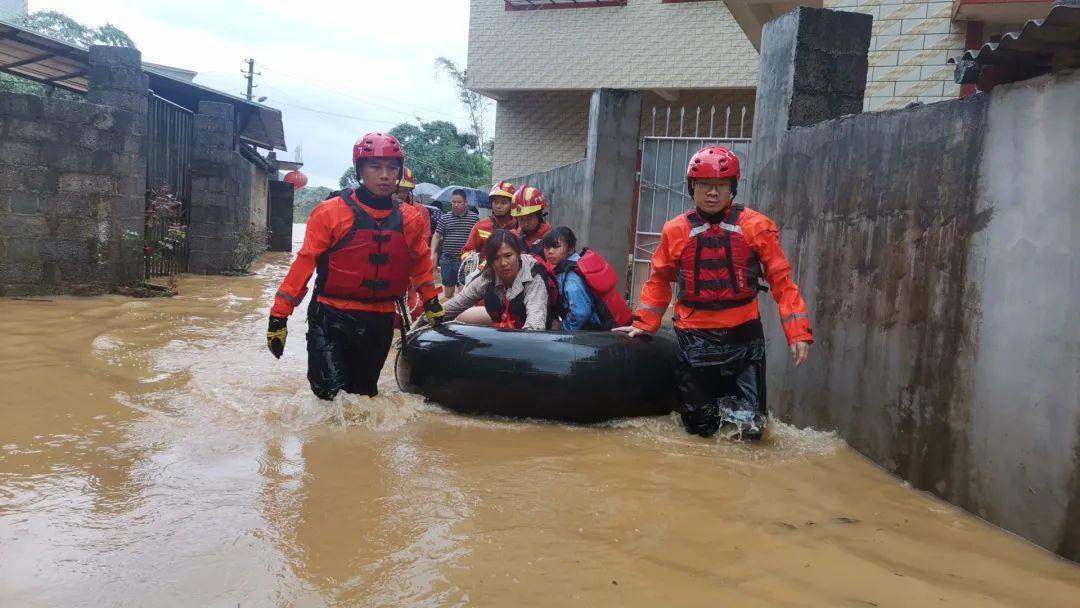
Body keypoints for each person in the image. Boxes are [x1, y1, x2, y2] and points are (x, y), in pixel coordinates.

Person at [614, 146, 813, 440]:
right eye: (705, 185)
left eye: (720, 186)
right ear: (692, 188)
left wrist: (797, 332)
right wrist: (643, 325)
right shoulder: (675, 230)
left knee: (750, 427)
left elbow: (782, 280)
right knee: (697, 427)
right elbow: (658, 280)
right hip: (695, 338)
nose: (712, 193)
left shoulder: (757, 227)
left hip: (744, 339)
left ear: (732, 189)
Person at [265, 132, 445, 400]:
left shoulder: (411, 219)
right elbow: (304, 264)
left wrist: (432, 303)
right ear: (360, 170)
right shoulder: (330, 212)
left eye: (391, 167)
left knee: (364, 399)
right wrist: (279, 316)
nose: (385, 175)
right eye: (375, 167)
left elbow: (420, 263)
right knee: (330, 397)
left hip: (379, 319)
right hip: (330, 316)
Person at [422, 229, 551, 330]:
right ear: (490, 261)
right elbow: (457, 304)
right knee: (459, 316)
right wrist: (423, 321)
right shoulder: (488, 276)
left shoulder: (534, 277)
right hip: (505, 325)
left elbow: (535, 324)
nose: (503, 263)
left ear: (518, 254)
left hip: (537, 332)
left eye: (508, 256)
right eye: (496, 258)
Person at [541, 226, 633, 331]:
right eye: (547, 247)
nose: (550, 251)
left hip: (599, 332)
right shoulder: (574, 265)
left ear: (570, 248)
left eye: (556, 246)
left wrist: (563, 327)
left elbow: (581, 312)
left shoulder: (571, 277)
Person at [431, 188, 479, 299]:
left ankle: (462, 315)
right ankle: (450, 315)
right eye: (453, 202)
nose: (456, 204)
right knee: (448, 293)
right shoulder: (445, 218)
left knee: (463, 294)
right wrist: (432, 252)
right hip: (448, 260)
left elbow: (479, 236)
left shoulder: (474, 219)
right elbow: (437, 235)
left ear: (466, 203)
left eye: (459, 202)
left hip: (467, 261)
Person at [462, 180, 518, 255]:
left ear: (512, 204)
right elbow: (466, 253)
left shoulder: (520, 227)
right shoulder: (481, 226)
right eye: (495, 202)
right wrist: (481, 262)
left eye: (503, 202)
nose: (498, 206)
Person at [392, 166, 433, 242]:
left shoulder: (420, 211)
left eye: (404, 191)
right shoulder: (378, 207)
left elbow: (424, 239)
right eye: (396, 190)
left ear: (410, 190)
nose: (400, 195)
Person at [511, 186, 552, 256]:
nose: (526, 223)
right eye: (521, 219)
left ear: (539, 216)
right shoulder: (514, 237)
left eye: (529, 217)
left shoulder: (551, 237)